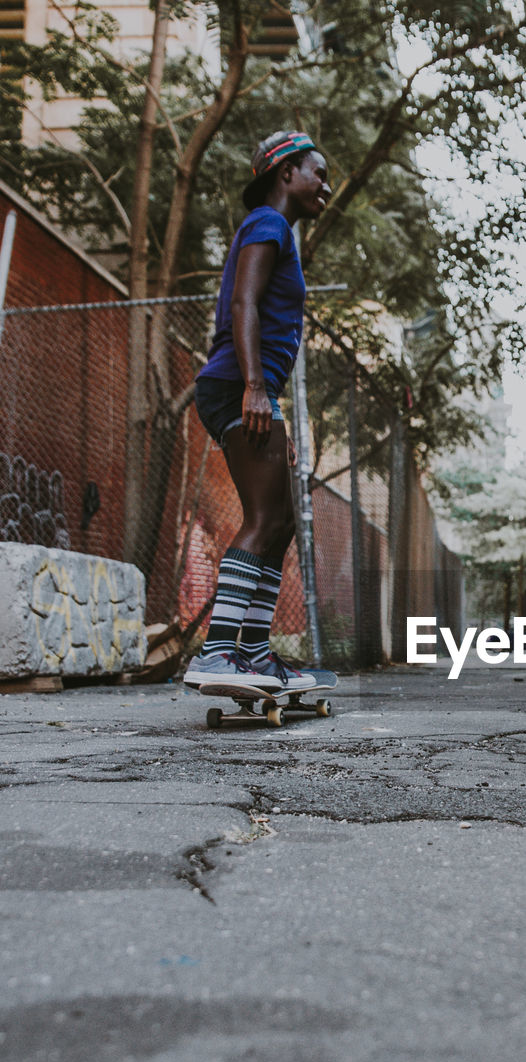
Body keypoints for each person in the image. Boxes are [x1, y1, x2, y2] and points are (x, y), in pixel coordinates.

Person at [184, 130, 332, 693]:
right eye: (317, 173)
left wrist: (268, 399)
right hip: (233, 383)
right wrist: (254, 389)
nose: (325, 186)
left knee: (282, 523)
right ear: (284, 172)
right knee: (263, 521)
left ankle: (251, 654)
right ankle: (218, 654)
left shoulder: (278, 230)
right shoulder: (268, 223)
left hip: (250, 385)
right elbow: (244, 302)